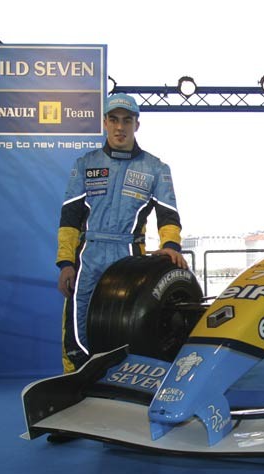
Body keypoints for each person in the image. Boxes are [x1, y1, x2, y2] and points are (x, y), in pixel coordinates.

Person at [56, 93, 188, 374]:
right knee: (77, 327)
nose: (120, 127)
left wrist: (172, 246)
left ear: (136, 125)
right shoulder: (84, 164)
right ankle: (75, 380)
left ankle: (126, 381)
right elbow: (70, 218)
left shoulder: (156, 168)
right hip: (88, 256)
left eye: (127, 120)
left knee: (129, 326)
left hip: (129, 259)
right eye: (114, 119)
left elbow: (168, 215)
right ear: (105, 122)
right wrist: (66, 263)